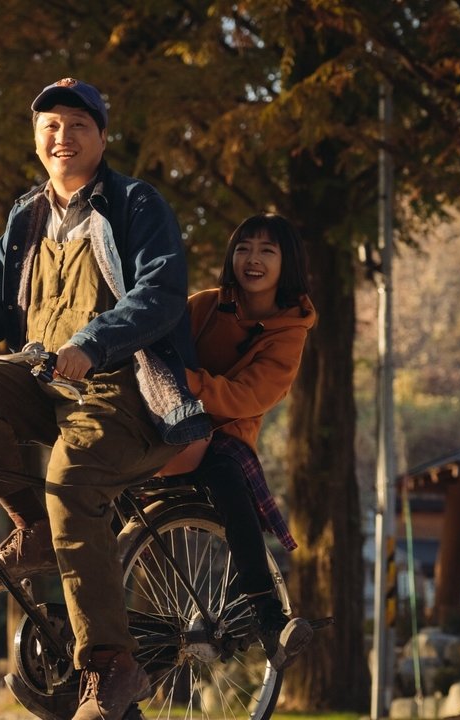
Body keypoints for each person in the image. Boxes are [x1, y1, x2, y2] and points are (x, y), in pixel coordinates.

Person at [0, 78, 210, 720]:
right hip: (45, 381)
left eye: (78, 124)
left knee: (71, 479)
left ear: (102, 138)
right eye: (50, 125)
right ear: (36, 138)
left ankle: (112, 667)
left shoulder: (135, 203)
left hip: (127, 389)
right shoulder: (28, 215)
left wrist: (92, 343)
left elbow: (160, 295)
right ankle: (35, 531)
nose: (62, 136)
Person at [159, 212, 317, 670]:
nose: (252, 259)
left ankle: (267, 613)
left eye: (267, 250)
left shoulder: (290, 332)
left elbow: (249, 396)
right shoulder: (205, 306)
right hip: (165, 420)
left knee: (229, 478)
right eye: (244, 247)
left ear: (287, 263)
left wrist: (189, 382)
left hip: (224, 431)